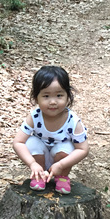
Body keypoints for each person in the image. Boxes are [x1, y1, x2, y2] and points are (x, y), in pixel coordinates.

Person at [13, 66, 89, 194]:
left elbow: (83, 149)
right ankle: (39, 175)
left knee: (68, 146)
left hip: (61, 159)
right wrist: (32, 164)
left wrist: (61, 165)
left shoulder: (73, 121)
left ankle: (62, 178)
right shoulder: (34, 117)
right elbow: (18, 142)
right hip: (39, 157)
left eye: (59, 95)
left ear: (68, 96)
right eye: (46, 96)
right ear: (36, 98)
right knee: (30, 142)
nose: (53, 101)